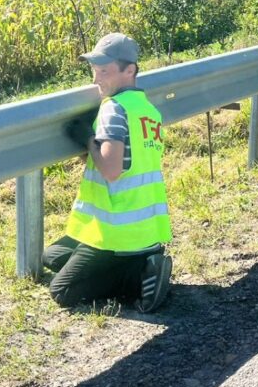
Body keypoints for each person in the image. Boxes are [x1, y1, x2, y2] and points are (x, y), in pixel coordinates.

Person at [45, 33, 173, 311]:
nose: (96, 79)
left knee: (62, 290)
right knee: (52, 255)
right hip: (146, 233)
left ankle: (136, 280)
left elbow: (112, 170)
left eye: (104, 71)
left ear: (130, 70)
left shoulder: (113, 109)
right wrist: (92, 149)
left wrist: (88, 139)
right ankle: (144, 263)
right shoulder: (148, 110)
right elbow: (126, 164)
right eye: (94, 70)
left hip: (116, 234)